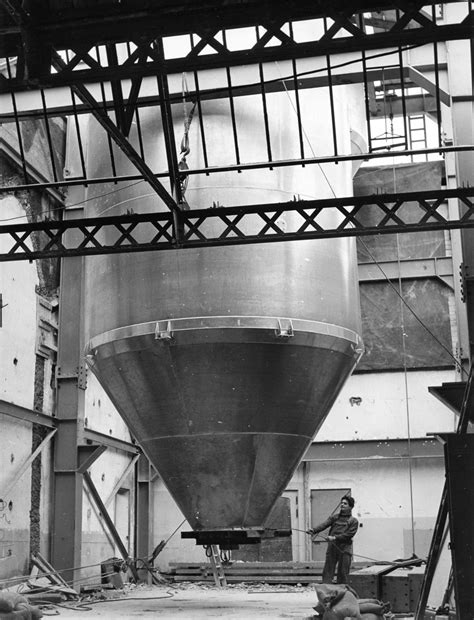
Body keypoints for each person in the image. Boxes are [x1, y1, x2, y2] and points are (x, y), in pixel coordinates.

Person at [308, 495, 358, 584]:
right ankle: (326, 591)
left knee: (343, 571)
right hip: (333, 547)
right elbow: (324, 524)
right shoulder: (334, 517)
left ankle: (342, 592)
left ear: (350, 507)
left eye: (345, 504)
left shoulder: (353, 521)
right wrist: (314, 530)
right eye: (341, 503)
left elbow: (349, 535)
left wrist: (334, 537)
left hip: (345, 548)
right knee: (328, 569)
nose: (342, 505)